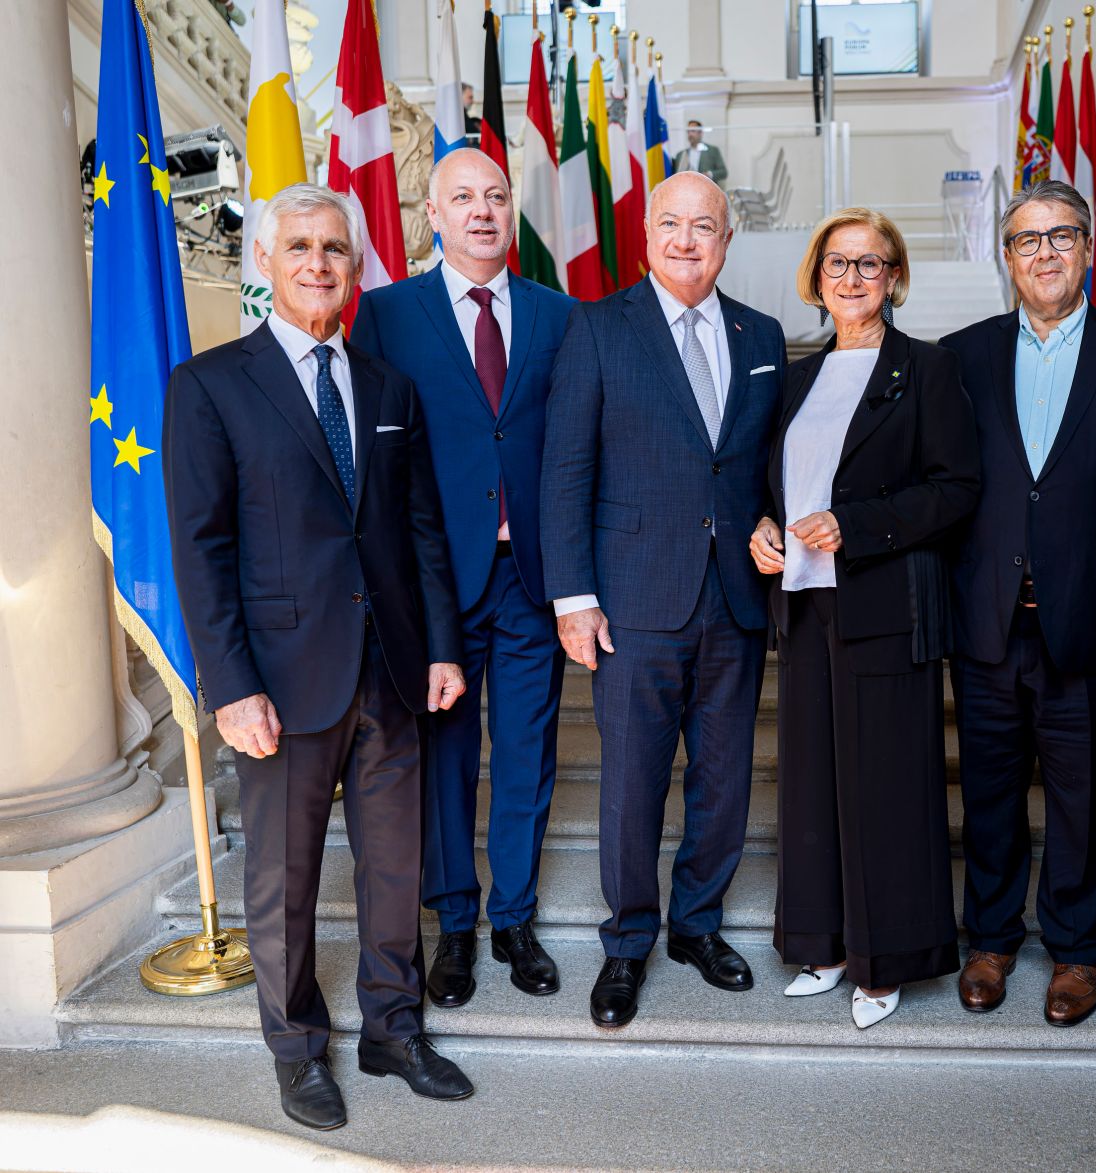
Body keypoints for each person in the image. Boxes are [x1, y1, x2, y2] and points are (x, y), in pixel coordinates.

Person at [163, 184, 473, 1130]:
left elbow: (420, 530)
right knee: (286, 875)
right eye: (298, 246)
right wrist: (232, 686)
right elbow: (202, 550)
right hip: (282, 679)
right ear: (265, 260)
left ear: (357, 264)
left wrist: (443, 648)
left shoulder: (387, 387)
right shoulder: (210, 386)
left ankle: (392, 1026)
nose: (318, 263)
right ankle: (296, 1046)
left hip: (391, 665)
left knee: (393, 863)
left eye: (335, 247)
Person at [541, 171, 786, 1028]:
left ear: (727, 240)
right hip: (635, 600)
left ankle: (698, 924)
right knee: (634, 781)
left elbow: (769, 466)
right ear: (648, 234)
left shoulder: (763, 334)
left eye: (706, 227)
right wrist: (574, 597)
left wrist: (775, 521)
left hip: (735, 601)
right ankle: (626, 941)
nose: (688, 241)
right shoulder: (598, 326)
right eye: (673, 225)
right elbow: (566, 468)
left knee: (724, 780)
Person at [939, 180, 1096, 1027]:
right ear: (1007, 259)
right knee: (992, 792)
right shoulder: (960, 355)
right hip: (989, 621)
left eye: (1061, 237)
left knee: (1081, 796)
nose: (1044, 253)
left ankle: (1075, 951)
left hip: (1095, 623)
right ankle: (993, 938)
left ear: (1089, 249)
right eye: (1026, 241)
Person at [351, 148, 577, 1009]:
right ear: (432, 215)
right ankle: (455, 920)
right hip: (435, 585)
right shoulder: (384, 315)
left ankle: (514, 917)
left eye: (495, 196)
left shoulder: (562, 317)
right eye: (463, 198)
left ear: (511, 209)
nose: (482, 211)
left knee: (527, 754)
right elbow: (373, 463)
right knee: (445, 757)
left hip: (533, 578)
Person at [750, 209, 980, 1028]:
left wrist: (860, 522)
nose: (852, 279)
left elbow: (957, 487)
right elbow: (777, 484)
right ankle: (825, 942)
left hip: (886, 605)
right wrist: (765, 525)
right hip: (806, 605)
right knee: (811, 783)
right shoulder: (798, 376)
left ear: (895, 278)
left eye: (870, 265)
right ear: (816, 277)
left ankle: (885, 963)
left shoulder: (926, 368)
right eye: (837, 264)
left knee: (885, 788)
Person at [673, 121, 728, 186]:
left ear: (701, 133)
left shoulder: (713, 150)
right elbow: (675, 177)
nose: (690, 134)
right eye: (688, 131)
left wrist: (709, 174)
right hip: (686, 191)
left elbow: (723, 172)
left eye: (693, 131)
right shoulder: (680, 155)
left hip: (707, 190)